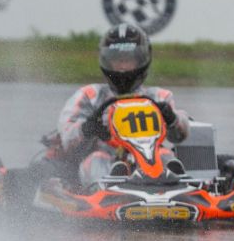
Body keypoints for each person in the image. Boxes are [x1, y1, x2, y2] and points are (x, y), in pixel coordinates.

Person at [57, 23, 190, 185]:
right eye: (117, 60)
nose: (123, 66)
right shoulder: (90, 96)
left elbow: (181, 135)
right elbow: (67, 139)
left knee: (165, 155)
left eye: (128, 60)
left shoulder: (159, 97)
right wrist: (87, 128)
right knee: (97, 160)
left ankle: (175, 186)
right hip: (106, 160)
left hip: (149, 161)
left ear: (141, 60)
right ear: (107, 61)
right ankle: (110, 188)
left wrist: (172, 118)